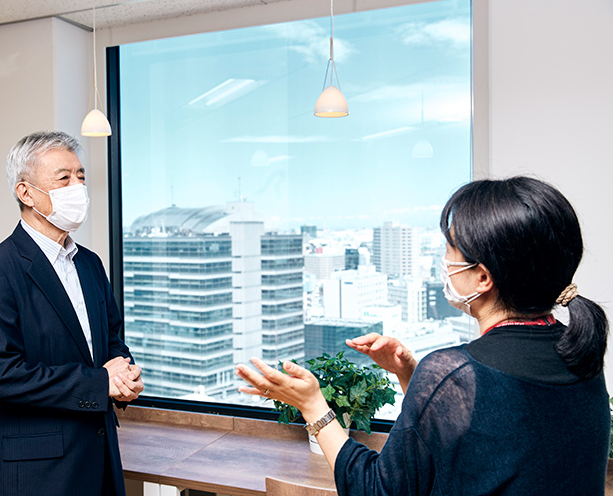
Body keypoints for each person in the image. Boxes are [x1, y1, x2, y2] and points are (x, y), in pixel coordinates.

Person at [237, 176, 610, 495]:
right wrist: (411, 376)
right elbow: (500, 443)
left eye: (450, 250)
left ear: (482, 277)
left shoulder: (453, 372)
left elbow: (375, 489)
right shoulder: (579, 352)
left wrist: (314, 405)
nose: (445, 262)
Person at [0, 131, 143, 496]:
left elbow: (110, 341)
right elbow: (1, 376)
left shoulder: (90, 264)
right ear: (26, 193)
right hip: (39, 474)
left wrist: (124, 378)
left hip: (102, 460)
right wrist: (99, 383)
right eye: (64, 178)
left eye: (80, 177)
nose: (77, 186)